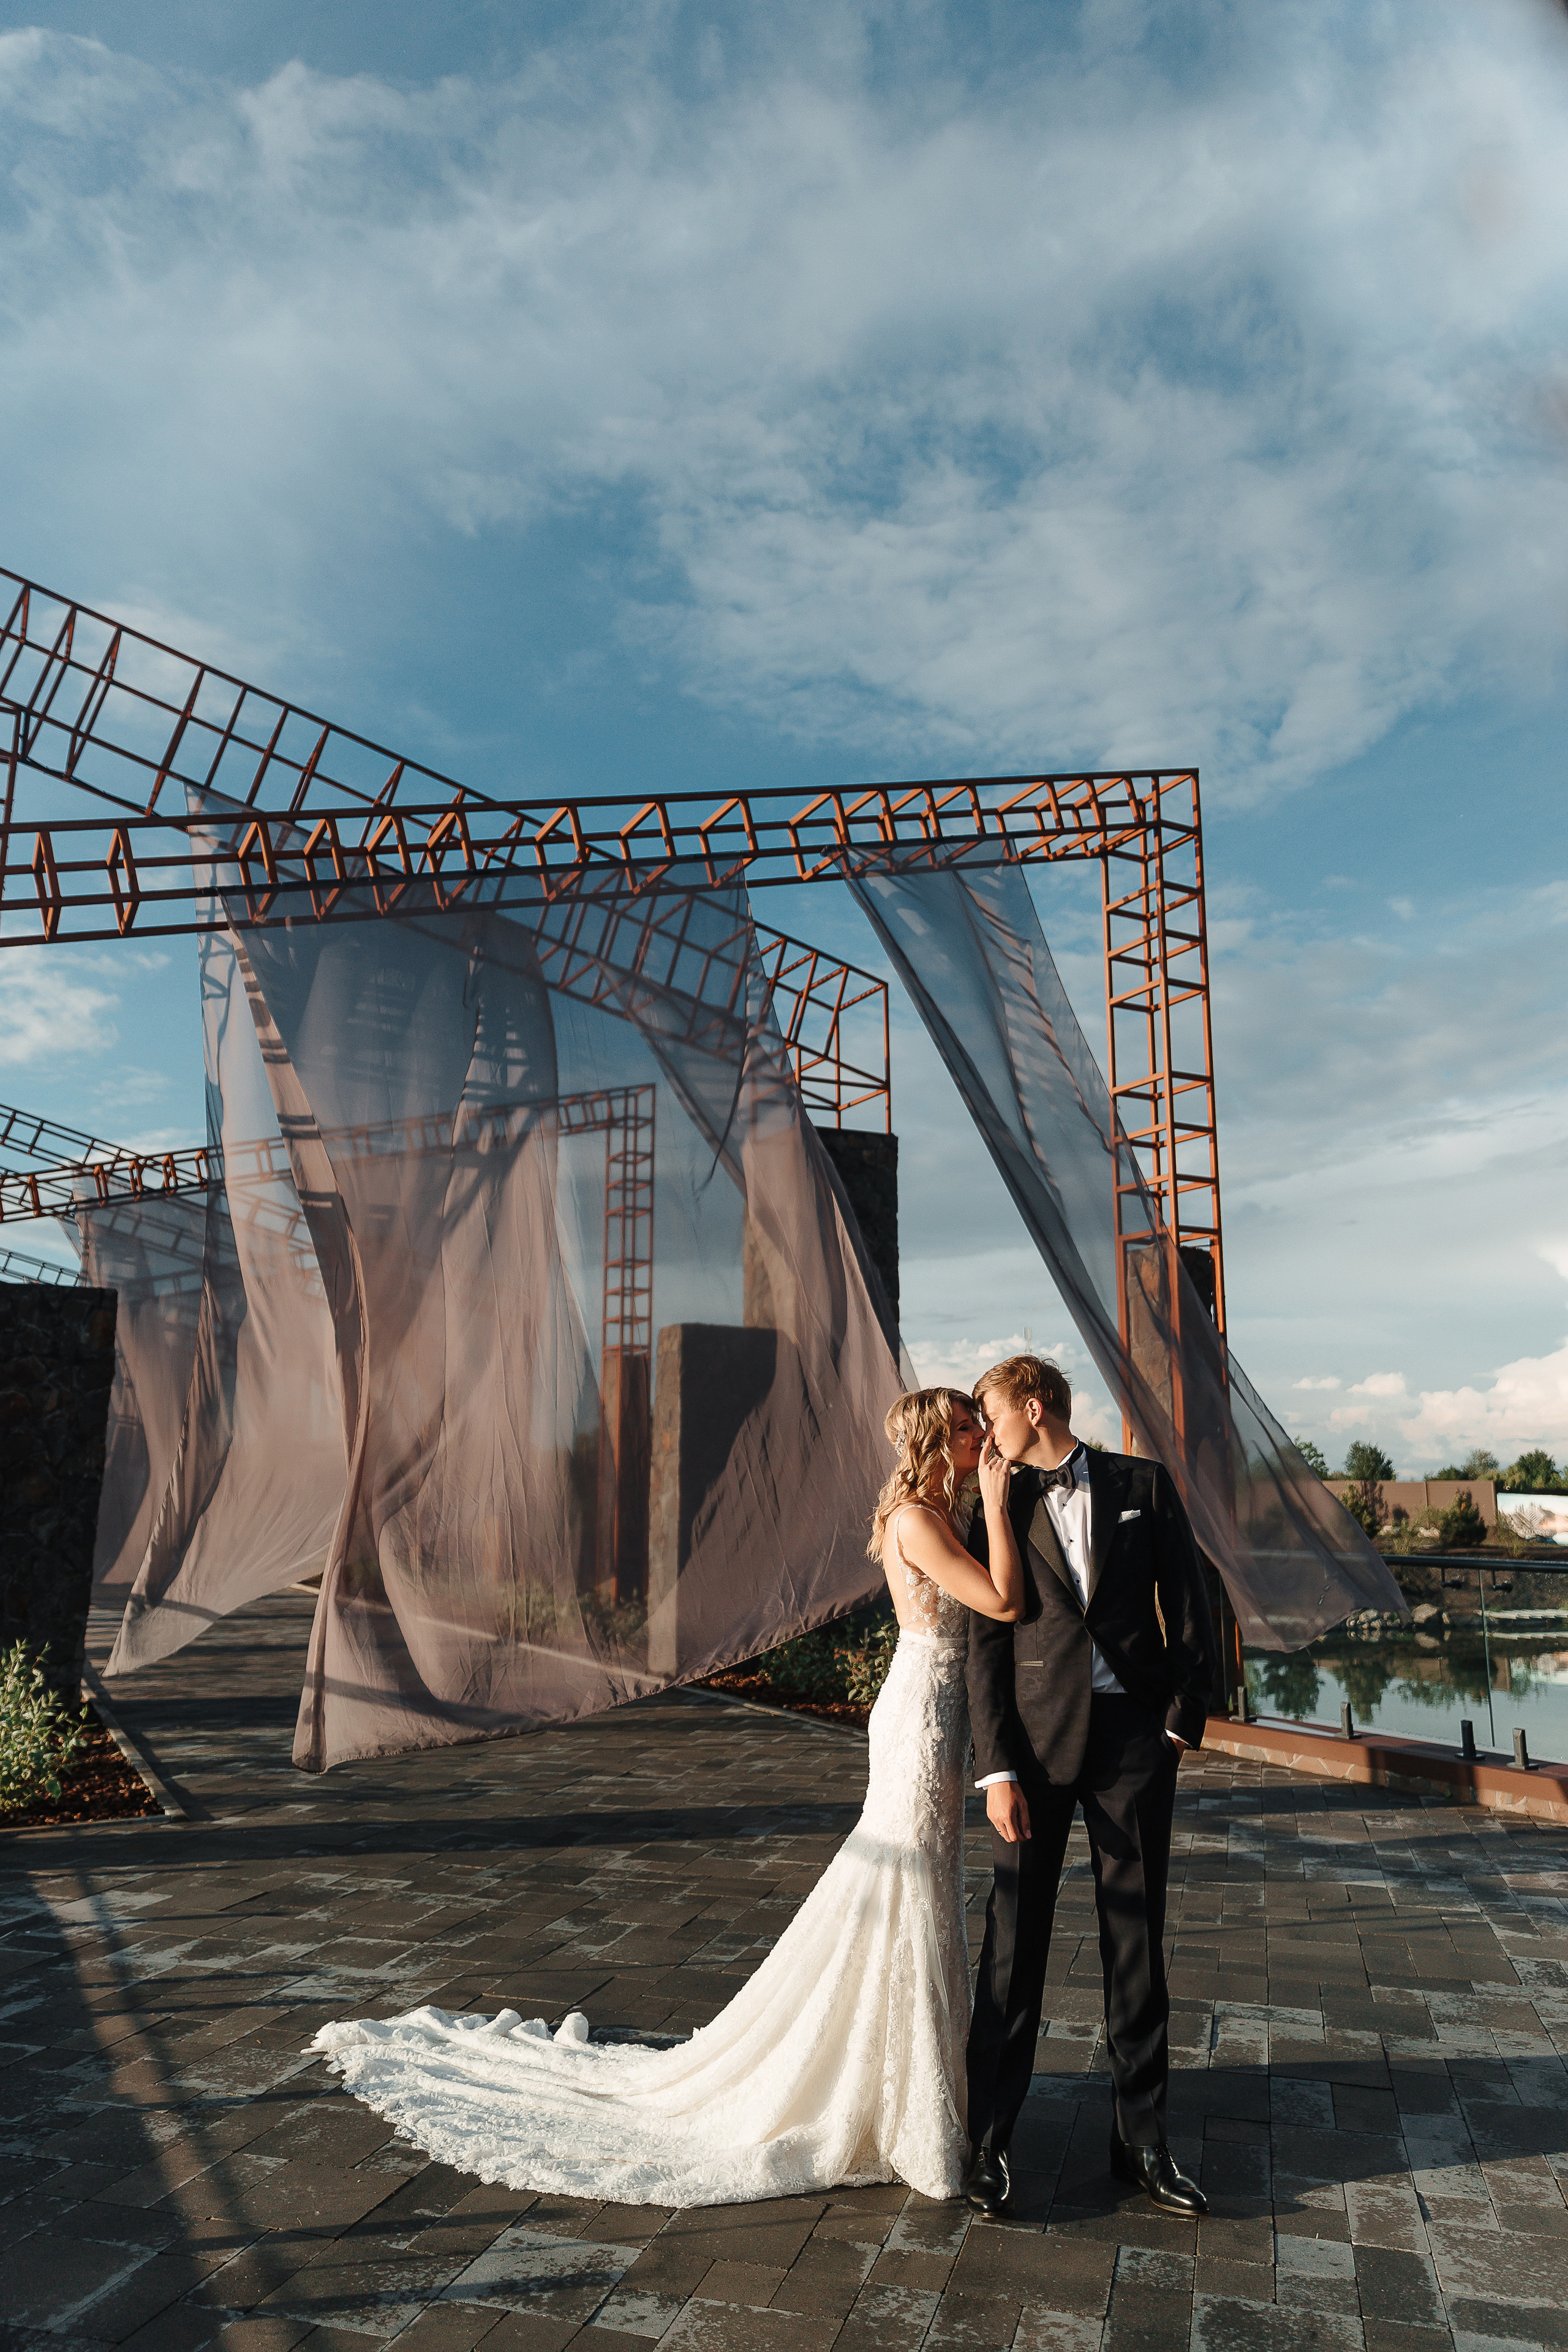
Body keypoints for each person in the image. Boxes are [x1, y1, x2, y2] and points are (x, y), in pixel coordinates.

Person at [306, 1387, 1023, 2208]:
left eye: (978, 1424)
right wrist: (1001, 1505)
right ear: (936, 1441)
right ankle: (886, 2085)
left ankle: (913, 2077)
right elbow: (1000, 1600)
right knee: (907, 1882)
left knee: (920, 1889)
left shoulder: (937, 1512)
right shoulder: (921, 1521)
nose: (979, 1437)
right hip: (921, 1717)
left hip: (933, 1712)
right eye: (967, 1427)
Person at [962, 1354, 1219, 2220]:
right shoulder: (998, 1502)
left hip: (1135, 1746)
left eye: (991, 1414)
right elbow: (983, 1645)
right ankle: (988, 2144)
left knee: (1136, 1948)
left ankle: (1142, 2142)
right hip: (1031, 1754)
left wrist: (1182, 1718)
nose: (984, 1433)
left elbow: (1192, 1601)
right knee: (1012, 1949)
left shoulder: (1142, 1483)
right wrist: (995, 1768)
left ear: (1034, 1408)